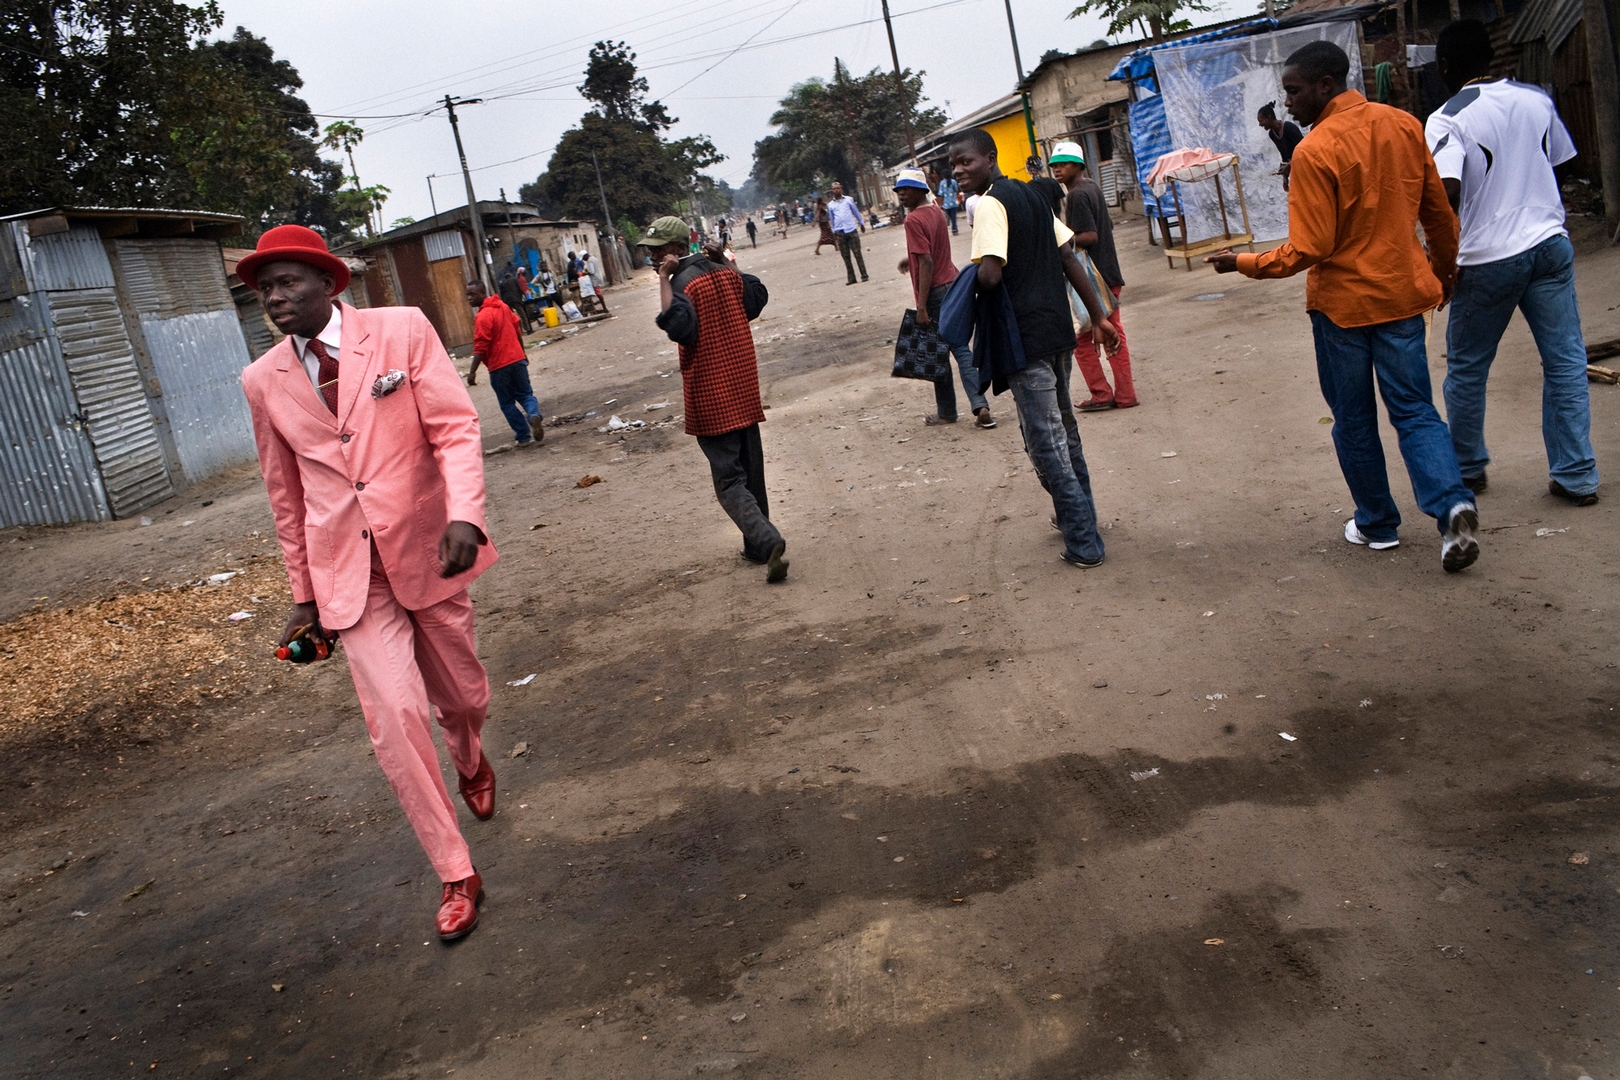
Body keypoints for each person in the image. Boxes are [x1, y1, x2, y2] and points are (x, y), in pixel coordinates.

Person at [236, 225, 498, 943]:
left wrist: (465, 516)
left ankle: (470, 755)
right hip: (347, 576)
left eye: (287, 282)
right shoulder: (263, 381)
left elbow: (453, 429)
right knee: (394, 718)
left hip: (431, 549)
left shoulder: (401, 330)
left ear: (329, 283)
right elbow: (284, 496)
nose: (274, 296)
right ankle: (454, 870)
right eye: (264, 288)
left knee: (463, 695)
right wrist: (302, 596)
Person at [1208, 40, 1480, 572]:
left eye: (1293, 90)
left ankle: (1378, 524)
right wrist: (1443, 275)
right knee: (1415, 411)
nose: (1286, 103)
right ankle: (1452, 506)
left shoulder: (1314, 151)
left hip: (1342, 311)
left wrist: (1243, 262)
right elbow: (1439, 215)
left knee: (1353, 419)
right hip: (1401, 298)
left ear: (1325, 85)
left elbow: (1309, 248)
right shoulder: (1404, 125)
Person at [1427, 19, 1599, 505]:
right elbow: (1564, 163)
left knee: (1467, 367)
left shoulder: (1446, 117)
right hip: (1549, 246)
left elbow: (1448, 190)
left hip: (1487, 258)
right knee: (1565, 362)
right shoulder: (1535, 100)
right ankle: (1577, 475)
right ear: (1490, 59)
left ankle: (1468, 467)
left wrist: (1440, 257)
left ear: (1443, 67)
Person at [949, 128, 1119, 569]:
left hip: (1023, 338)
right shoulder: (1032, 197)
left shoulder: (990, 204)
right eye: (952, 165)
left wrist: (968, 282)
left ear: (990, 158)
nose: (958, 171)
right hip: (1057, 330)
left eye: (966, 162)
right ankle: (1079, 519)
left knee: (1044, 442)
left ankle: (1084, 541)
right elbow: (1067, 256)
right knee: (1065, 431)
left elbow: (989, 275)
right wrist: (1098, 316)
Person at [637, 216, 788, 584]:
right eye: (651, 255)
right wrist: (727, 262)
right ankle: (756, 549)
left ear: (675, 249)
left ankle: (767, 542)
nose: (653, 259)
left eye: (657, 253)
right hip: (742, 386)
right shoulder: (723, 272)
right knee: (753, 473)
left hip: (711, 393)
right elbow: (756, 297)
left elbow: (677, 327)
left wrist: (663, 280)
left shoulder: (681, 283)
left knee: (730, 482)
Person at [892, 168, 995, 430]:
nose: (901, 194)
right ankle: (980, 404)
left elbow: (927, 261)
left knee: (935, 352)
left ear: (921, 190)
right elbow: (932, 250)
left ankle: (947, 411)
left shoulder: (913, 220)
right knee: (960, 347)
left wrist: (922, 306)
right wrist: (911, 258)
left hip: (935, 290)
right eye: (898, 190)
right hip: (953, 282)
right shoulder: (937, 211)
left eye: (906, 189)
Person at [1049, 141, 1136, 411]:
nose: (1057, 169)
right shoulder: (1093, 187)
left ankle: (1101, 394)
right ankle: (1124, 394)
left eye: (1064, 164)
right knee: (1113, 333)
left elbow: (1090, 236)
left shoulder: (1076, 195)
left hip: (1092, 277)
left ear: (1078, 165)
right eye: (1054, 165)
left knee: (1082, 340)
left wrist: (1060, 236)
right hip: (1108, 272)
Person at [465, 279, 543, 446]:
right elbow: (517, 329)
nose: (469, 298)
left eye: (472, 294)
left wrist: (472, 372)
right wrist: (522, 354)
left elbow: (480, 346)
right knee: (525, 394)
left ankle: (523, 436)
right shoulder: (503, 307)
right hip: (517, 360)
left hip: (499, 366)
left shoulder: (482, 316)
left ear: (482, 292)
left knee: (507, 403)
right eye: (467, 295)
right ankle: (533, 415)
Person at [825, 181, 868, 285]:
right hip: (840, 232)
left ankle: (864, 275)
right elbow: (832, 219)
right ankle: (851, 278)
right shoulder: (830, 205)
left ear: (841, 189)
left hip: (851, 230)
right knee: (846, 256)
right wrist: (834, 231)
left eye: (838, 188)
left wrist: (861, 223)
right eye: (834, 189)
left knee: (857, 253)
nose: (836, 190)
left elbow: (855, 212)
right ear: (832, 191)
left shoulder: (849, 200)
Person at [1257, 101, 1304, 190]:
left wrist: (1290, 165)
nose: (1260, 124)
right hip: (1295, 169)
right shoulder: (1272, 134)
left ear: (1269, 117)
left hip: (1304, 166)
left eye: (1261, 120)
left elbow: (1304, 150)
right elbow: (1284, 155)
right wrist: (1285, 177)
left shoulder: (1289, 128)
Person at [496, 267, 531, 334]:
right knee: (522, 314)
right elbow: (519, 288)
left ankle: (516, 331)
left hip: (507, 301)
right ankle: (528, 329)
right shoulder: (515, 280)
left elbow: (501, 293)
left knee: (510, 317)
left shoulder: (502, 283)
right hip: (516, 299)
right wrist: (523, 295)